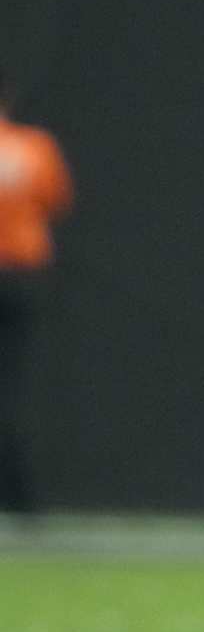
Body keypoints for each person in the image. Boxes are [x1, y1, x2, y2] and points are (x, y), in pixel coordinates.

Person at [0, 65, 73, 515]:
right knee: (11, 387)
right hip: (20, 277)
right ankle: (21, 500)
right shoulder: (33, 148)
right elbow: (55, 201)